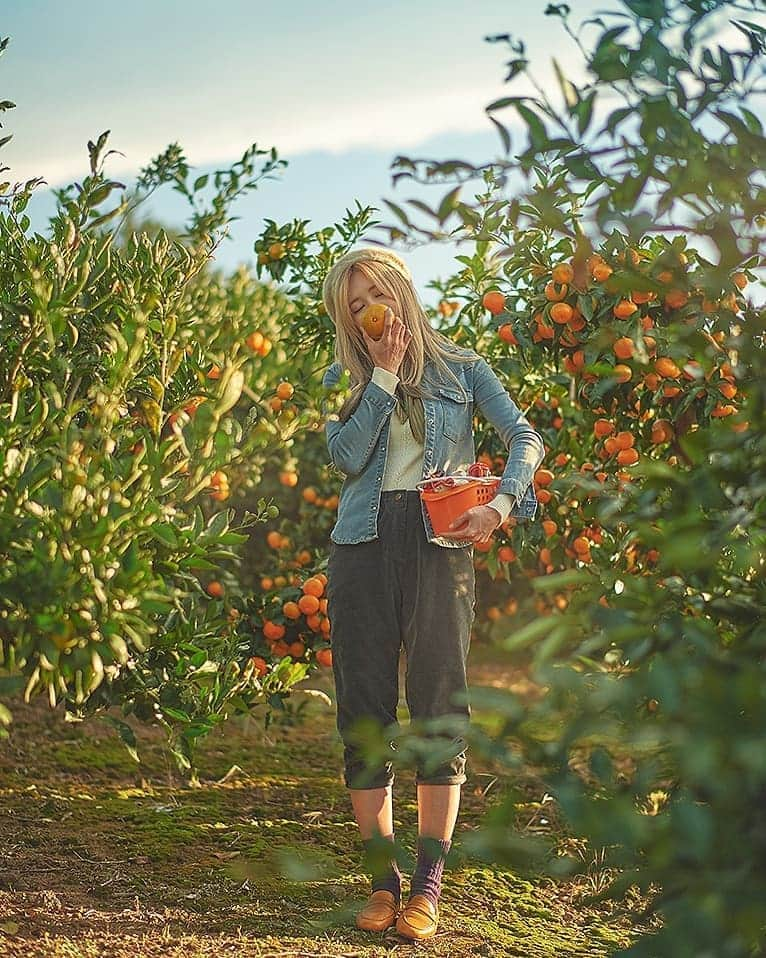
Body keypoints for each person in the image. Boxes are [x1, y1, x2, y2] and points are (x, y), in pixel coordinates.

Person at [320, 247, 545, 941]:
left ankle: (427, 887)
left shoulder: (465, 369)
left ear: (402, 289)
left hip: (438, 545)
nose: (368, 311)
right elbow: (344, 457)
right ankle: (383, 884)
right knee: (364, 712)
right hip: (360, 548)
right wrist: (382, 373)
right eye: (353, 306)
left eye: (375, 294)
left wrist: (503, 505)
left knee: (439, 707)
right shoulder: (343, 380)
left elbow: (523, 437)